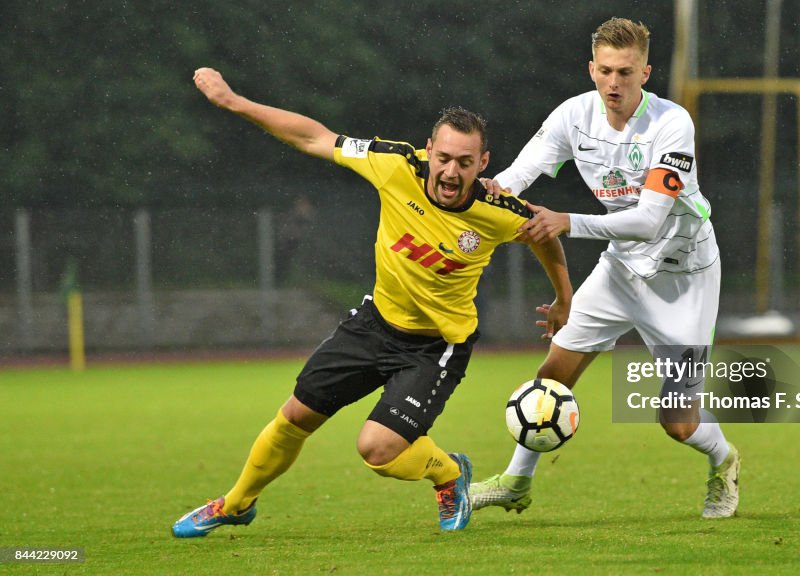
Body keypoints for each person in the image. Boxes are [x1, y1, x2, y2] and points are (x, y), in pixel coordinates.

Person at [172, 67, 573, 537]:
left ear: (483, 162)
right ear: (429, 149)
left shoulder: (499, 210)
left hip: (435, 347)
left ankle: (447, 473)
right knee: (295, 415)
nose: (451, 171)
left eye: (465, 162)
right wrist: (235, 102)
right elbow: (314, 137)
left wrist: (564, 297)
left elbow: (545, 236)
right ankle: (236, 504)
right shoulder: (395, 164)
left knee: (377, 450)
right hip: (374, 324)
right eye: (443, 157)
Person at [470, 17, 740, 519]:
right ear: (591, 69)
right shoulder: (573, 116)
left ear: (646, 73)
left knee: (678, 423)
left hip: (685, 277)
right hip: (620, 269)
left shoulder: (672, 123)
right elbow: (514, 179)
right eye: (606, 71)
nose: (615, 82)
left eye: (626, 72)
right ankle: (516, 481)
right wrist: (478, 193)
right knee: (549, 379)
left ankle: (724, 461)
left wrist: (566, 222)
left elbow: (647, 219)